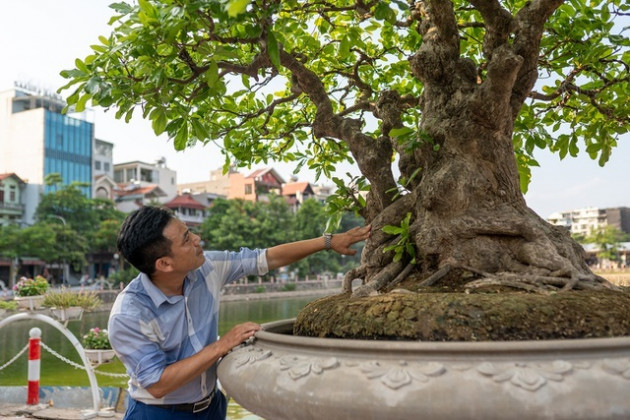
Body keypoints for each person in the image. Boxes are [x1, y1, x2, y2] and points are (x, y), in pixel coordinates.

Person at [108, 206, 371, 420]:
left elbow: (264, 258)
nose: (198, 240)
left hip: (212, 406)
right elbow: (157, 384)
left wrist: (328, 241)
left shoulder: (207, 268)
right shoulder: (129, 314)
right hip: (158, 414)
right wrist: (223, 345)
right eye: (187, 239)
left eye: (190, 232)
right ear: (164, 263)